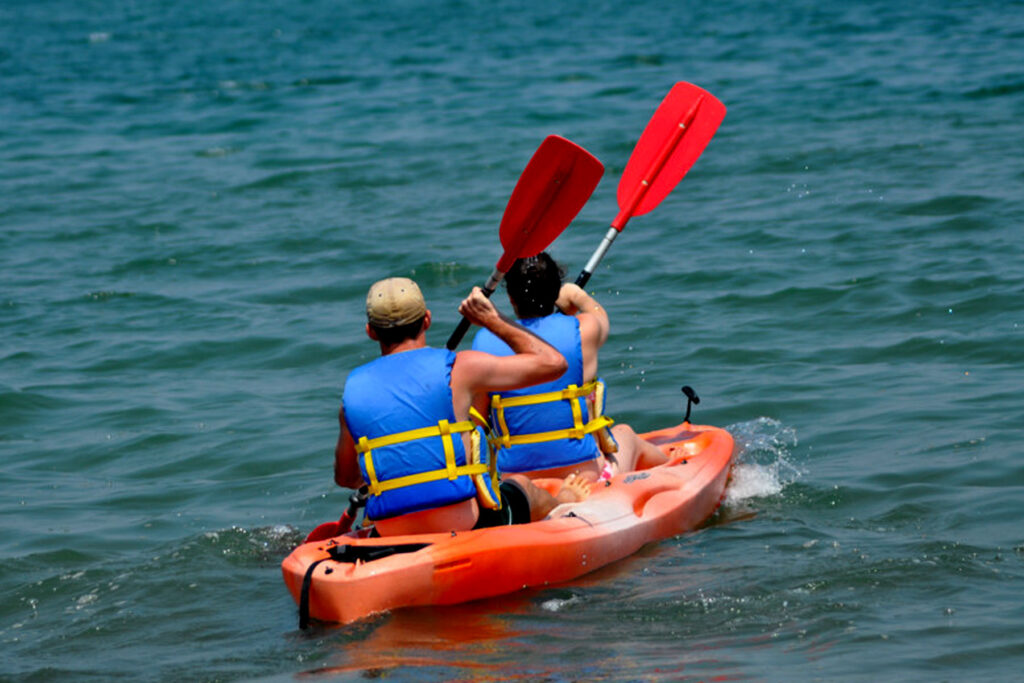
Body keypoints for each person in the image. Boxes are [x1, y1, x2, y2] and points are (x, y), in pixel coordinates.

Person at [334, 277, 591, 537]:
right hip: (465, 523)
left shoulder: (352, 394)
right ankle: (565, 500)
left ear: (371, 332)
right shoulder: (459, 368)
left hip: (391, 530)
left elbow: (346, 478)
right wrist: (492, 320)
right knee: (522, 486)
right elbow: (554, 363)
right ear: (427, 320)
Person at [472, 252, 669, 481]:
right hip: (584, 474)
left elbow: (479, 420)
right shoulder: (583, 329)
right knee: (626, 435)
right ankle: (679, 471)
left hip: (516, 478)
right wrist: (577, 297)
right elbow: (601, 319)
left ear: (510, 297)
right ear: (556, 292)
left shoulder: (483, 342)